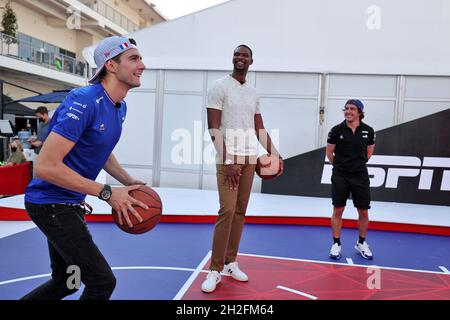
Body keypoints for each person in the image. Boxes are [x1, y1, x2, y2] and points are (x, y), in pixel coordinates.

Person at [22, 36, 148, 300]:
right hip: (51, 205)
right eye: (134, 59)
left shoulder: (119, 106)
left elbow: (99, 148)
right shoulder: (84, 100)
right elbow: (45, 167)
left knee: (67, 282)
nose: (142, 65)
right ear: (111, 66)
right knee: (101, 281)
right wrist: (106, 192)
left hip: (68, 204)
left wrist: (127, 180)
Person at [201, 45, 283, 293]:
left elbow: (259, 128)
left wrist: (276, 154)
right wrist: (227, 161)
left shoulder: (254, 92)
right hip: (229, 158)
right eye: (237, 54)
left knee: (239, 212)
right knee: (226, 210)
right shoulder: (219, 86)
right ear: (233, 58)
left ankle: (229, 262)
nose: (240, 58)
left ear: (251, 61)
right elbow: (213, 127)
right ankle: (214, 270)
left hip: (250, 157)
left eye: (244, 55)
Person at [326, 99, 375, 260]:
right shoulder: (336, 130)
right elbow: (329, 153)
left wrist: (356, 166)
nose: (348, 111)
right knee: (338, 210)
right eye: (346, 109)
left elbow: (368, 153)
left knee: (363, 211)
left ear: (360, 112)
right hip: (340, 175)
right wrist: (340, 166)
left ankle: (361, 242)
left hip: (360, 176)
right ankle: (336, 243)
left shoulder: (369, 131)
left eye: (352, 109)